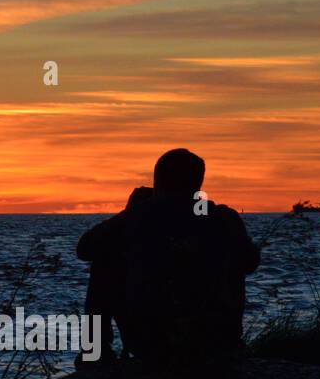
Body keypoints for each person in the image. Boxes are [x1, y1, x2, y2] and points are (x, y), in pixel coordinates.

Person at [76, 149, 260, 367]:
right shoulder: (223, 218)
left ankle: (95, 352)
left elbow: (85, 249)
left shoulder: (141, 216)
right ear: (198, 184)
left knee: (105, 259)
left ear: (158, 182)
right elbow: (250, 263)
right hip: (217, 341)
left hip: (156, 344)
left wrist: (131, 212)